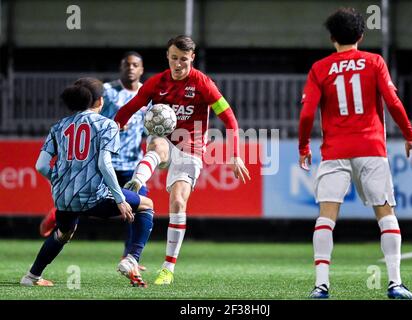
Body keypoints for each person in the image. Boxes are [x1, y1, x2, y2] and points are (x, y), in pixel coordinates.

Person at [298, 8, 412, 299]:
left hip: (335, 152)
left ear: (332, 38)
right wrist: (410, 135)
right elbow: (392, 101)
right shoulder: (374, 62)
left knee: (326, 218)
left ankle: (321, 286)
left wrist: (303, 147)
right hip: (371, 149)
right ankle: (395, 283)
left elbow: (306, 114)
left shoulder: (319, 68)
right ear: (361, 36)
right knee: (386, 214)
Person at [114, 35, 251, 285]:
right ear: (168, 56)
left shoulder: (203, 83)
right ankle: (137, 180)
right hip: (165, 139)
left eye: (184, 60)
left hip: (192, 147)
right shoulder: (157, 82)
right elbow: (132, 106)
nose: (178, 64)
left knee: (177, 202)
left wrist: (236, 155)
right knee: (157, 143)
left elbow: (229, 118)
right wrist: (116, 125)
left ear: (192, 58)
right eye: (174, 58)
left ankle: (167, 268)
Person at [21, 78, 154, 288]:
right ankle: (132, 258)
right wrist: (119, 198)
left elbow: (41, 166)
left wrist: (60, 180)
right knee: (146, 204)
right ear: (100, 101)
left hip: (63, 198)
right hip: (93, 196)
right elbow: (104, 163)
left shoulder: (59, 127)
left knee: (63, 234)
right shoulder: (107, 125)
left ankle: (31, 276)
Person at [39, 52, 148, 271]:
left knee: (138, 207)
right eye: (126, 64)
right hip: (102, 161)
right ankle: (64, 215)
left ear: (141, 69)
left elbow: (146, 125)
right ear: (120, 67)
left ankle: (130, 257)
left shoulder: (147, 94)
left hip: (130, 162)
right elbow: (90, 118)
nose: (130, 68)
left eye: (135, 65)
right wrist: (113, 125)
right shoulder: (105, 91)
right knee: (137, 205)